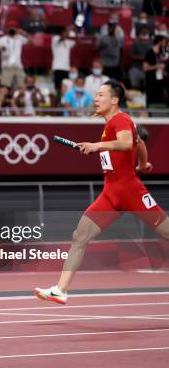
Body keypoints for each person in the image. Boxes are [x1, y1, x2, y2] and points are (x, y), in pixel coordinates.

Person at [34, 80, 169, 305]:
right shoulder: (110, 125)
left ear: (114, 100)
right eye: (95, 95)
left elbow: (127, 143)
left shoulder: (121, 119)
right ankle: (60, 290)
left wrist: (97, 146)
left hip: (131, 192)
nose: (95, 99)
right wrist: (143, 164)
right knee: (79, 236)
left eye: (100, 95)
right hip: (110, 194)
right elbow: (139, 143)